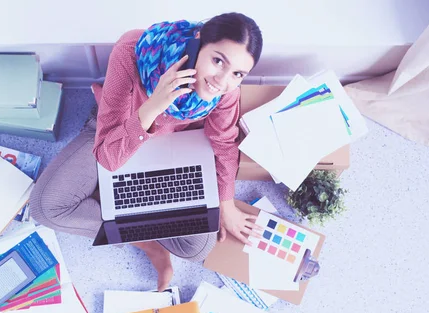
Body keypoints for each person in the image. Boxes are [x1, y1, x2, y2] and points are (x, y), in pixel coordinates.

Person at [30, 12, 264, 291]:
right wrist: (155, 104)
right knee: (47, 208)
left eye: (238, 74)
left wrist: (226, 203)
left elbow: (224, 144)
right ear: (198, 41)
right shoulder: (131, 49)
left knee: (198, 247)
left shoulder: (226, 91)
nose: (222, 81)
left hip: (174, 145)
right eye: (218, 61)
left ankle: (119, 208)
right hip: (119, 130)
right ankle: (148, 243)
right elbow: (108, 156)